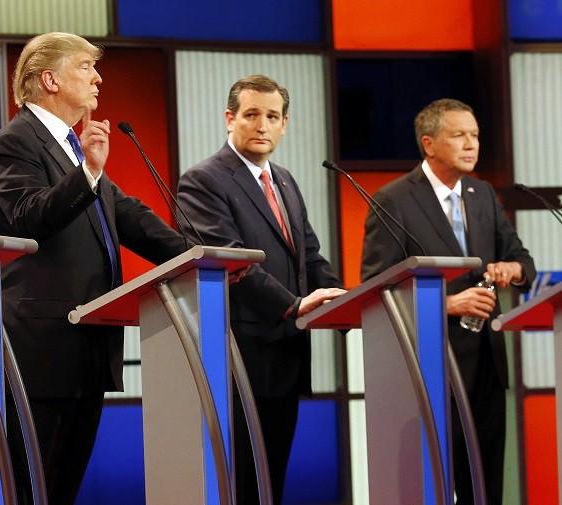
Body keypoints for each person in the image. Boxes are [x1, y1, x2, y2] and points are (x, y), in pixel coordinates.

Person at [0, 32, 188, 505]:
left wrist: (196, 255)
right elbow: (28, 218)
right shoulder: (13, 143)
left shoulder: (72, 149)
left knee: (63, 486)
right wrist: (88, 173)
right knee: (33, 487)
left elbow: (129, 217)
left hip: (86, 346)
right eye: (85, 68)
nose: (97, 79)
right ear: (49, 79)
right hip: (42, 349)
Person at [177, 74, 345, 505]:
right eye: (252, 115)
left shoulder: (285, 180)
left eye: (273, 116)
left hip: (286, 353)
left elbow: (309, 256)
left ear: (285, 124)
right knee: (242, 482)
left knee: (272, 478)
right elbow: (229, 261)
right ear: (230, 119)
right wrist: (292, 305)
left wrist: (343, 302)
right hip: (238, 353)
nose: (262, 125)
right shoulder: (204, 180)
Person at [361, 98, 536, 505]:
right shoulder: (394, 199)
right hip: (431, 365)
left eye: (474, 135)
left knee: (487, 481)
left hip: (487, 364)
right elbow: (375, 288)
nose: (471, 144)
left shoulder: (482, 194)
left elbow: (522, 258)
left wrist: (513, 269)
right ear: (429, 143)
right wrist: (447, 305)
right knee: (437, 480)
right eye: (458, 135)